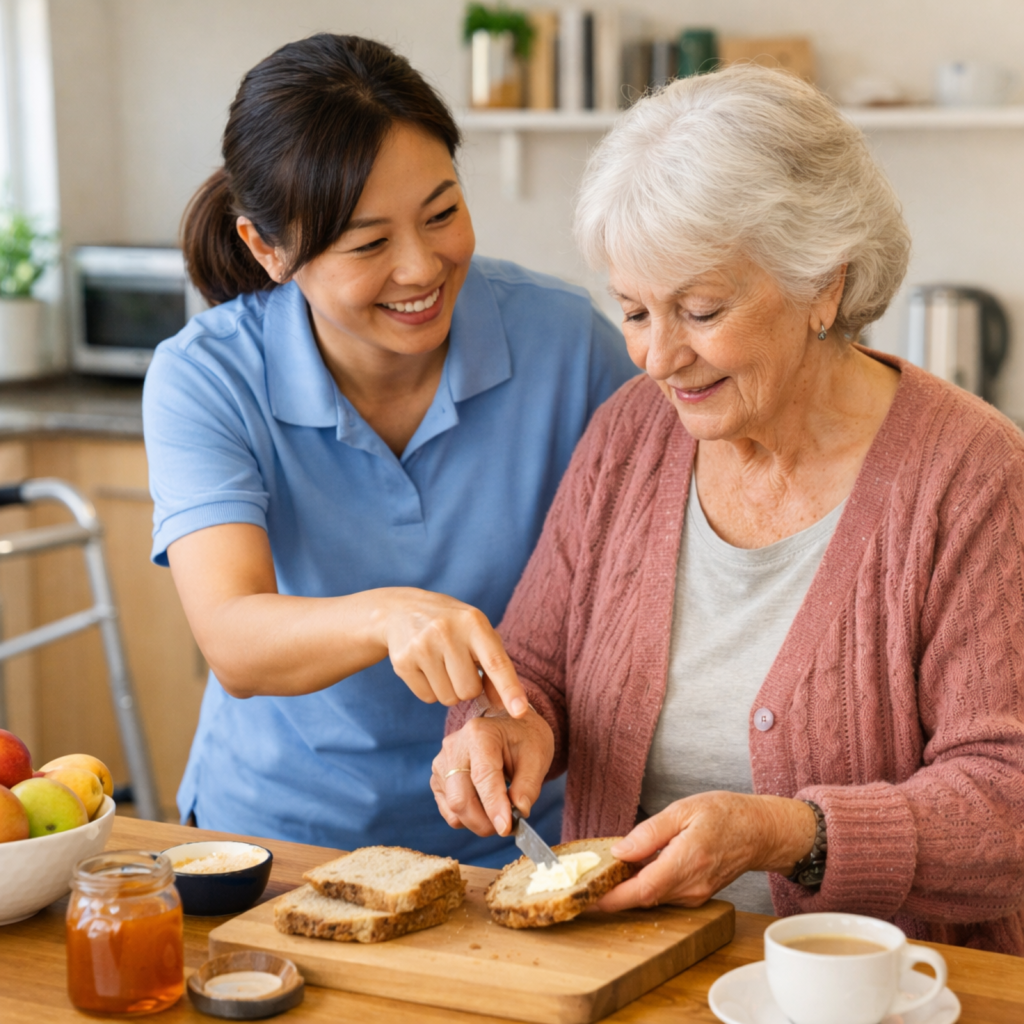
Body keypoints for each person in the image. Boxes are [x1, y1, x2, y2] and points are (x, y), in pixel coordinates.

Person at [433, 65, 1024, 952]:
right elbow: (536, 663)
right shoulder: (632, 434)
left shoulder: (972, 477)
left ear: (825, 285)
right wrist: (501, 725)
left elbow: (1005, 798)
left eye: (702, 310)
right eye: (633, 310)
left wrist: (792, 834)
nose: (659, 358)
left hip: (880, 990)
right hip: (637, 972)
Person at [142, 34, 635, 866]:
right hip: (280, 843)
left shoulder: (567, 344)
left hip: (515, 836)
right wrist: (389, 613)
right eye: (368, 244)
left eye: (442, 213)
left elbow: (638, 588)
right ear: (268, 249)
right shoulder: (206, 376)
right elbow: (232, 638)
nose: (422, 267)